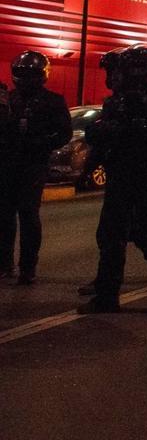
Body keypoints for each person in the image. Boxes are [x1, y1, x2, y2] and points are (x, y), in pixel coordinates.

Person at [78, 45, 147, 318]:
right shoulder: (117, 102)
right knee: (111, 238)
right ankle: (107, 296)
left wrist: (144, 106)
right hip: (120, 179)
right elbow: (101, 137)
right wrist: (90, 164)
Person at [0, 51, 71, 284]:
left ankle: (28, 267)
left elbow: (63, 134)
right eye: (21, 73)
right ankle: (4, 264)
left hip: (32, 165)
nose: (25, 79)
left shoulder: (53, 101)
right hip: (7, 164)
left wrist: (39, 143)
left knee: (29, 216)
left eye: (30, 74)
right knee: (4, 217)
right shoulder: (9, 99)